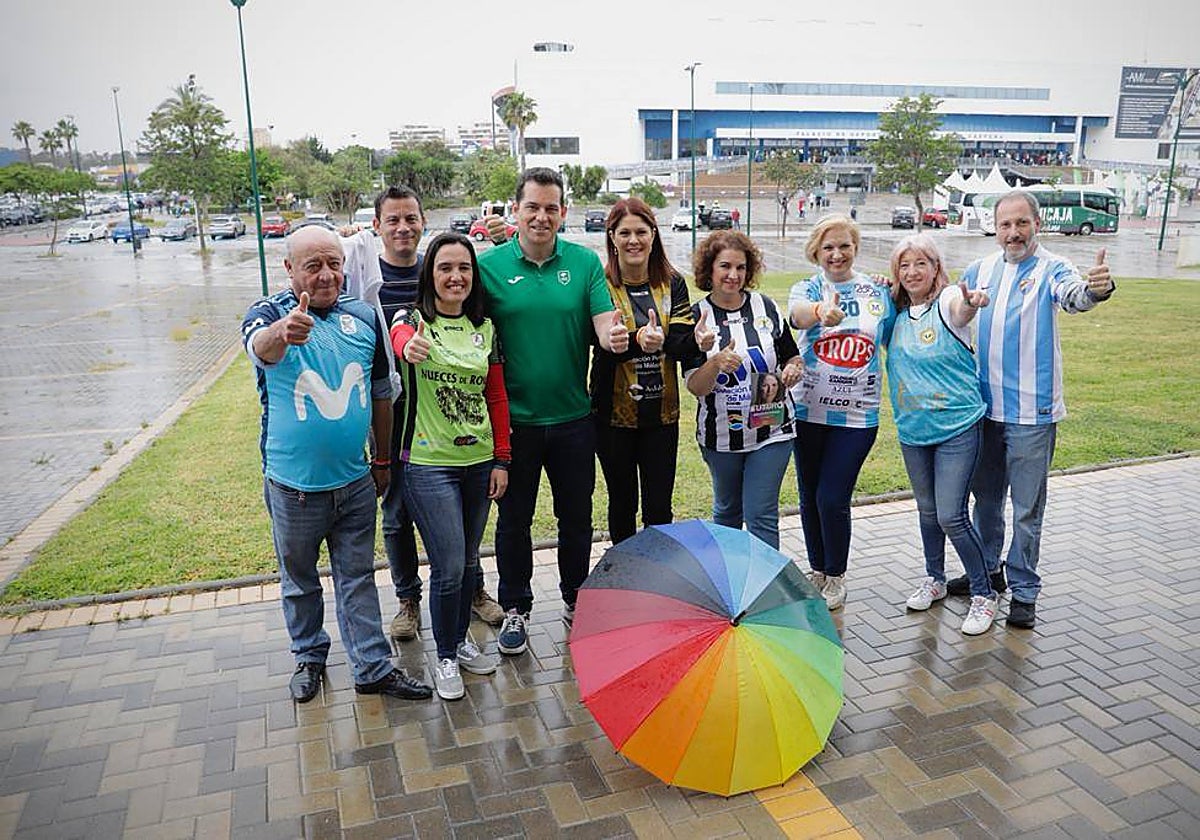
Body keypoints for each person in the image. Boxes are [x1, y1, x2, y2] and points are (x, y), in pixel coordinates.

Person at [241, 225, 432, 703]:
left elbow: (384, 394)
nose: (326, 276)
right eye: (313, 266)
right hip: (293, 487)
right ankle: (309, 656)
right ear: (289, 270)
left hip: (355, 481)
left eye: (334, 264)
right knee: (299, 578)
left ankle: (371, 667)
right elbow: (259, 347)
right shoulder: (269, 313)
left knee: (358, 577)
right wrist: (283, 333)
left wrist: (383, 460)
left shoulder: (365, 316)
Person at [340, 186, 505, 643]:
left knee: (464, 520)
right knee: (394, 513)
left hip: (451, 411)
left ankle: (472, 591)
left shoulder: (438, 267)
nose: (402, 228)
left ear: (422, 221)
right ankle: (408, 599)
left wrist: (501, 234)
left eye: (411, 218)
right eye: (392, 220)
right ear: (376, 226)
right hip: (390, 410)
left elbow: (488, 285)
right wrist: (341, 237)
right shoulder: (363, 272)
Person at [477, 167, 629, 656]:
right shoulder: (489, 267)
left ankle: (574, 599)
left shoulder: (583, 264)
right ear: (515, 211)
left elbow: (604, 322)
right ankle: (516, 608)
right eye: (532, 207)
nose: (541, 217)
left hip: (572, 421)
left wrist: (615, 336)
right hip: (513, 425)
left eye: (550, 208)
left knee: (576, 518)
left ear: (563, 212)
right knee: (514, 522)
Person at [956, 190, 1115, 629]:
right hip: (984, 413)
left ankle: (1024, 588)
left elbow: (1075, 295)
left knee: (1026, 508)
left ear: (1037, 224)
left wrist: (1096, 290)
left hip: (1032, 414)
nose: (1013, 233)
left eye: (1021, 223)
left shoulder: (1053, 267)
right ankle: (988, 572)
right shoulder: (979, 269)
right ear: (995, 227)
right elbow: (952, 313)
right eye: (1005, 224)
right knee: (985, 502)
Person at [389, 233, 510, 700]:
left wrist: (502, 458)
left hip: (479, 463)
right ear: (430, 274)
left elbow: (496, 397)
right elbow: (401, 338)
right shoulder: (413, 319)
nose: (455, 276)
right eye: (445, 268)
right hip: (427, 464)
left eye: (464, 268)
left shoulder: (486, 328)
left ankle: (458, 644)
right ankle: (443, 657)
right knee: (449, 566)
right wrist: (407, 348)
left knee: (465, 561)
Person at [882, 234, 998, 635]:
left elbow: (960, 310)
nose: (912, 272)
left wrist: (970, 303)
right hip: (914, 430)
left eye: (921, 264)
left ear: (935, 268)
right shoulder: (894, 316)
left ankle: (984, 594)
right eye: (904, 265)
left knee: (951, 514)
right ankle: (935, 578)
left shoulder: (947, 302)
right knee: (928, 511)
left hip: (957, 427)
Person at [590, 197, 712, 546]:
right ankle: (626, 577)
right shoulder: (600, 283)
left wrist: (696, 342)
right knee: (622, 504)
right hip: (612, 417)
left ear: (653, 234)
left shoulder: (672, 282)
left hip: (662, 416)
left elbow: (679, 343)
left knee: (659, 507)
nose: (633, 240)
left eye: (641, 231)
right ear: (611, 237)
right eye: (624, 232)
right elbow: (597, 342)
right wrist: (636, 338)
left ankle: (658, 582)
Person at [788, 215, 895, 611]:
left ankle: (836, 575)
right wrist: (819, 311)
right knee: (808, 496)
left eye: (844, 246)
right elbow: (797, 315)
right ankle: (817, 569)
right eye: (828, 247)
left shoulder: (875, 290)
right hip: (808, 410)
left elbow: (898, 337)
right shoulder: (808, 287)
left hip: (857, 416)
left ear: (856, 247)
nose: (836, 254)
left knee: (832, 497)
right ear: (817, 250)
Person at [684, 231, 802, 549]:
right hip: (720, 435)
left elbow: (791, 354)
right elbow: (695, 386)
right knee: (727, 513)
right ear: (709, 269)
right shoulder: (695, 317)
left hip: (773, 429)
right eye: (725, 266)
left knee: (761, 513)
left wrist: (793, 368)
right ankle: (732, 589)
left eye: (741, 267)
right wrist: (715, 362)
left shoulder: (766, 307)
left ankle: (764, 594)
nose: (733, 275)